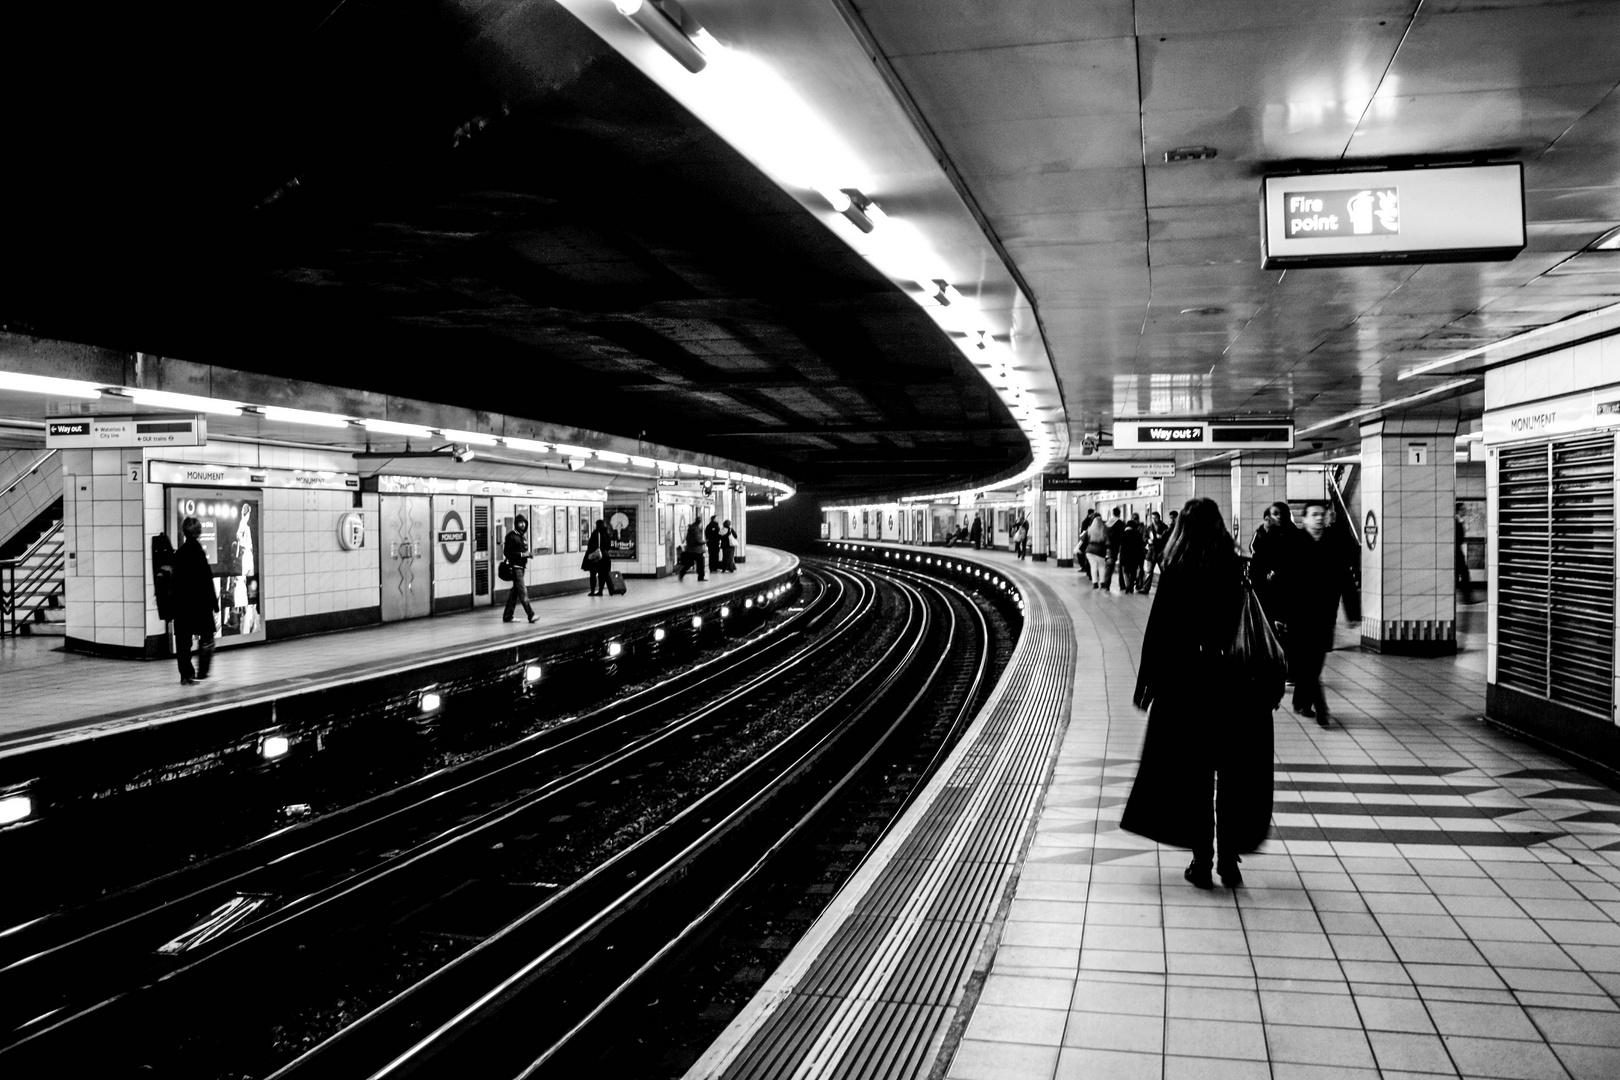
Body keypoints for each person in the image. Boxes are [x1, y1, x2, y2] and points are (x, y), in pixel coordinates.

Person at [1121, 497, 1274, 890]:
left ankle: (1201, 861)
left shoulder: (1176, 570)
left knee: (1196, 776)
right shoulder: (1237, 569)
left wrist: (1147, 686)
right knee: (1234, 775)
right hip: (1235, 687)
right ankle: (1229, 861)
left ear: (1182, 529)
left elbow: (1159, 632)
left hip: (1186, 687)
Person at [1285, 500, 1353, 727]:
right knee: (1308, 663)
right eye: (1314, 514)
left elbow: (1346, 579)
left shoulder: (1335, 543)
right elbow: (1283, 583)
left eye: (1322, 514)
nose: (1319, 518)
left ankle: (1301, 701)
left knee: (1315, 662)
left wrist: (1352, 612)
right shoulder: (1293, 543)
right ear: (1303, 519)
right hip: (1299, 616)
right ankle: (1322, 709)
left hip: (1325, 614)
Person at [172, 516, 219, 685]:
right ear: (199, 532)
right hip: (199, 604)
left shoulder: (179, 554)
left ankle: (186, 674)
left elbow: (175, 582)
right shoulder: (199, 553)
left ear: (183, 532)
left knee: (183, 642)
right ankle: (202, 672)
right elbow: (206, 580)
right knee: (206, 637)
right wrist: (214, 603)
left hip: (182, 605)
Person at [1248, 500, 1297, 620]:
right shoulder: (1263, 532)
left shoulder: (1292, 533)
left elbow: (1291, 557)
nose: (1279, 517)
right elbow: (1255, 550)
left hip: (1286, 581)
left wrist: (1276, 571)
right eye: (1275, 513)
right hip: (1265, 580)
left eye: (1282, 513)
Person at [503, 515, 536, 622]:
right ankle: (531, 615)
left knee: (515, 593)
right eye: (520, 522)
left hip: (521, 567)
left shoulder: (522, 537)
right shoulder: (511, 536)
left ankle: (508, 615)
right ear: (516, 524)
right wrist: (523, 554)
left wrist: (527, 555)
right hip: (515, 567)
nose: (522, 524)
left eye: (524, 522)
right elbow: (507, 552)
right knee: (523, 592)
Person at [1140, 510, 1170, 592]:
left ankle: (1166, 587)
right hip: (1151, 552)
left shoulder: (1164, 527)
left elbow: (1168, 539)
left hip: (1161, 552)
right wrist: (1147, 540)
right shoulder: (1149, 527)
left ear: (1159, 518)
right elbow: (1144, 536)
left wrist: (1161, 538)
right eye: (1152, 518)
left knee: (1164, 571)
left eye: (1155, 518)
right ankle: (1146, 588)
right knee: (1149, 571)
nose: (1153, 520)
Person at [583, 517, 613, 595]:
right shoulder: (607, 534)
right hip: (605, 557)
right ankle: (600, 591)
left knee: (593, 574)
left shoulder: (595, 533)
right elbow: (609, 546)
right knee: (602, 575)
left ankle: (592, 591)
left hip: (596, 557)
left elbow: (590, 545)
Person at [1120, 513, 1146, 592]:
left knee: (1125, 572)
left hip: (1125, 556)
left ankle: (1128, 586)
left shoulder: (1123, 534)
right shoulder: (1137, 534)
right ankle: (1132, 585)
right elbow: (1140, 545)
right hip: (1135, 556)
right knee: (1133, 572)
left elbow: (1121, 546)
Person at [1083, 511, 1108, 587]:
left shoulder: (1089, 529)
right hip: (1100, 550)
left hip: (1089, 550)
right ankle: (1102, 582)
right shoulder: (1104, 529)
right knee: (1101, 566)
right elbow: (1106, 540)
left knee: (1093, 566)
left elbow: (1083, 538)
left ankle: (1095, 583)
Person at [1104, 507, 1126, 592]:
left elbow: (1105, 535)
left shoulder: (1107, 523)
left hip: (1109, 548)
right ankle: (1122, 585)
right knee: (1121, 566)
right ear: (1119, 514)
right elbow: (1123, 536)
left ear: (1113, 513)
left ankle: (1106, 585)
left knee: (1109, 566)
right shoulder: (1121, 523)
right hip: (1118, 547)